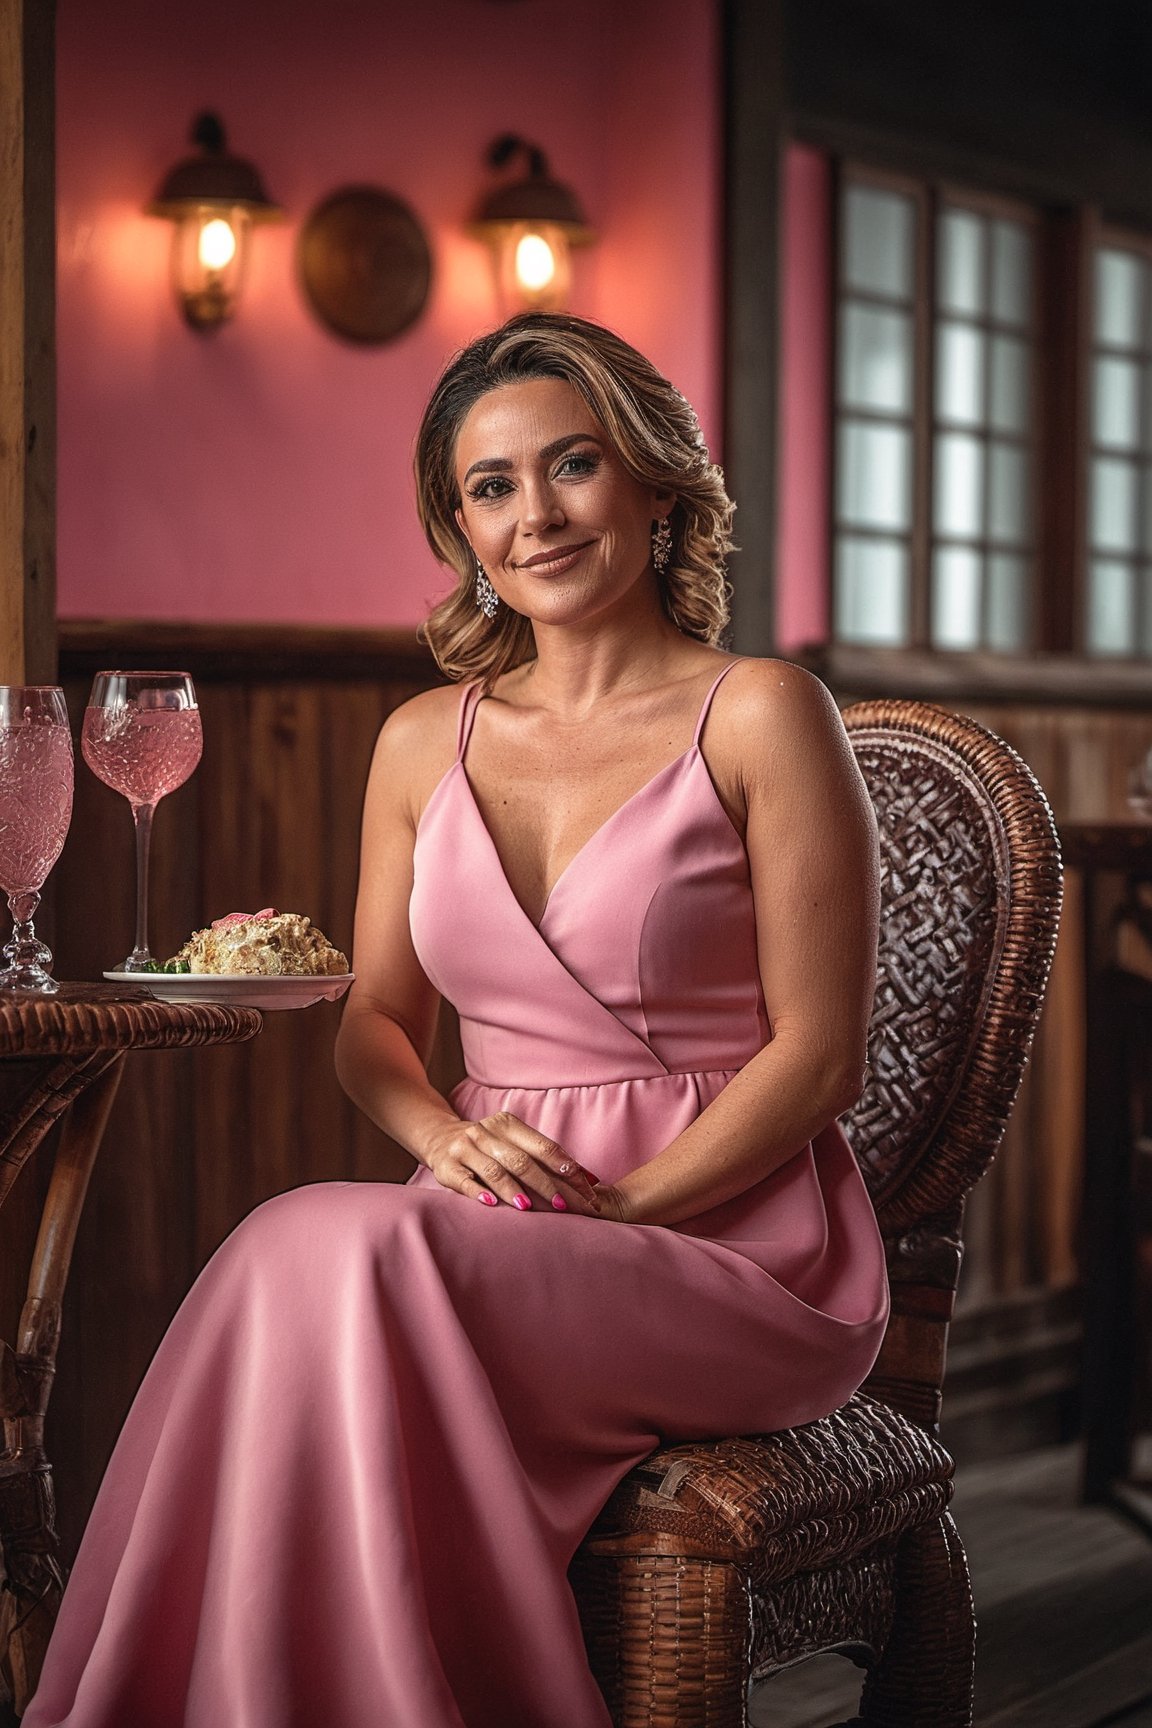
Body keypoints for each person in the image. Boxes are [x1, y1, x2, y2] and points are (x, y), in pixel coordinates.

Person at [24, 312, 889, 1728]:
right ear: (459, 527)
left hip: (730, 1240)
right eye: (491, 487)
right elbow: (376, 1025)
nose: (533, 516)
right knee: (305, 1252)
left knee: (325, 1249)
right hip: (479, 1224)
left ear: (656, 488)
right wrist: (441, 1129)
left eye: (574, 467)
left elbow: (821, 1056)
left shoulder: (763, 714)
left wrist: (628, 1215)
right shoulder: (425, 738)